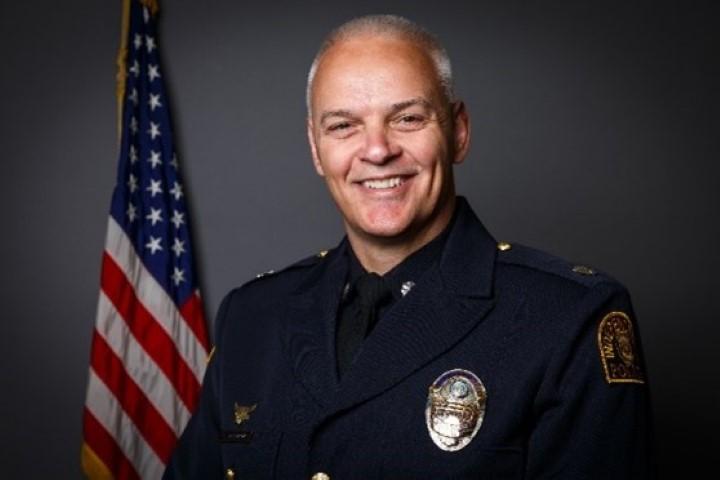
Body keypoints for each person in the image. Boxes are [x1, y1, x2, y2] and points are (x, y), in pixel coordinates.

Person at [164, 15, 654, 479]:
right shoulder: (252, 316)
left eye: (407, 118)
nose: (377, 151)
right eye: (343, 126)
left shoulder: (567, 319)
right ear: (316, 149)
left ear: (458, 131)